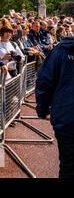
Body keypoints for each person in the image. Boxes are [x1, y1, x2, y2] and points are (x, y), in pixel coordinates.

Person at [36, 36, 74, 178]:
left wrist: (43, 110)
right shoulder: (61, 51)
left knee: (68, 166)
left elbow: (44, 82)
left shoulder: (60, 51)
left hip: (66, 117)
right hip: (67, 117)